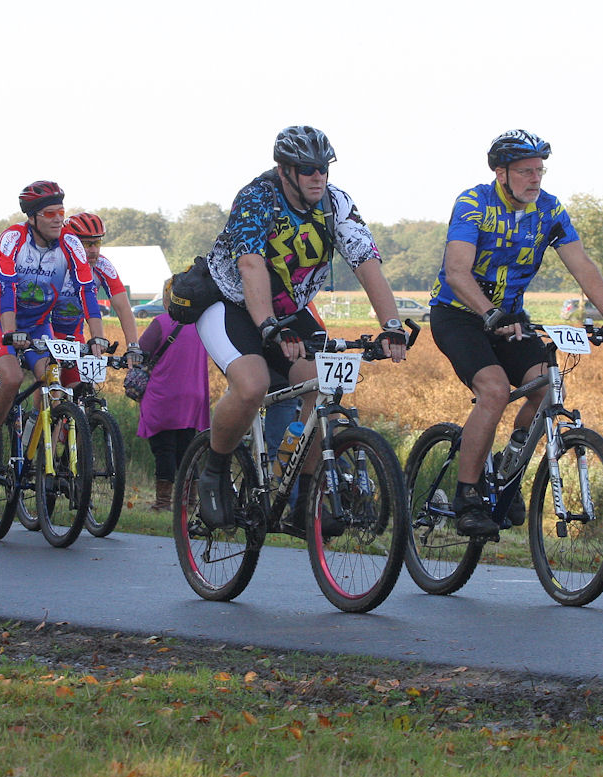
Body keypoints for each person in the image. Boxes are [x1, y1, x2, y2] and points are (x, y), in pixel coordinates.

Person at [194, 125, 408, 530]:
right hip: (230, 302)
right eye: (308, 169)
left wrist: (392, 325)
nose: (318, 177)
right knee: (253, 385)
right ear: (285, 171)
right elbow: (251, 265)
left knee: (323, 385)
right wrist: (268, 326)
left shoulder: (336, 203)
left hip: (289, 310)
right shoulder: (258, 197)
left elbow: (366, 263)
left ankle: (304, 497)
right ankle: (214, 471)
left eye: (324, 168)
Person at [428, 129, 603, 541]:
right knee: (494, 390)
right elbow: (457, 272)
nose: (535, 178)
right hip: (459, 314)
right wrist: (488, 312)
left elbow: (581, 263)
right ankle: (467, 496)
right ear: (501, 173)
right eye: (525, 171)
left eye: (540, 170)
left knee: (547, 389)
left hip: (511, 318)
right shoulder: (474, 204)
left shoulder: (549, 209)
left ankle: (508, 466)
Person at [0, 180, 107, 484]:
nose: (58, 219)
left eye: (61, 212)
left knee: (52, 380)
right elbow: (6, 287)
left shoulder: (70, 243)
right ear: (32, 217)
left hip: (38, 324)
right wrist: (10, 333)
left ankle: (34, 447)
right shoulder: (13, 239)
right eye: (50, 213)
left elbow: (86, 289)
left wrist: (97, 336)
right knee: (12, 379)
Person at [136, 278, 210, 511]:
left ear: (168, 298)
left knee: (164, 449)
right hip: (194, 398)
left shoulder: (161, 323)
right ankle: (191, 501)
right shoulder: (202, 326)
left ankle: (163, 502)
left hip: (164, 397)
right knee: (188, 450)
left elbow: (141, 352)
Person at [55, 212, 143, 368]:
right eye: (86, 244)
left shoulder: (102, 265)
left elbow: (123, 308)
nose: (94, 250)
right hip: (46, 330)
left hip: (73, 334)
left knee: (78, 381)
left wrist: (133, 347)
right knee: (48, 375)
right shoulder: (55, 261)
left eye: (97, 243)